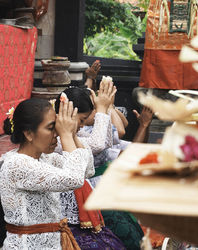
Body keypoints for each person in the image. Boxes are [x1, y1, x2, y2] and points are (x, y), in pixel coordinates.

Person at [0, 98, 95, 249]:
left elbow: (87, 170)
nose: (56, 134)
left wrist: (72, 133)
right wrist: (66, 135)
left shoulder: (45, 158)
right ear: (29, 134)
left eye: (57, 127)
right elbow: (74, 179)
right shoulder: (16, 164)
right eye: (51, 128)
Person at [55, 83, 127, 249]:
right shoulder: (57, 139)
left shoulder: (72, 134)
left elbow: (106, 141)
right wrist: (101, 109)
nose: (82, 125)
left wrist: (106, 108)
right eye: (81, 120)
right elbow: (98, 144)